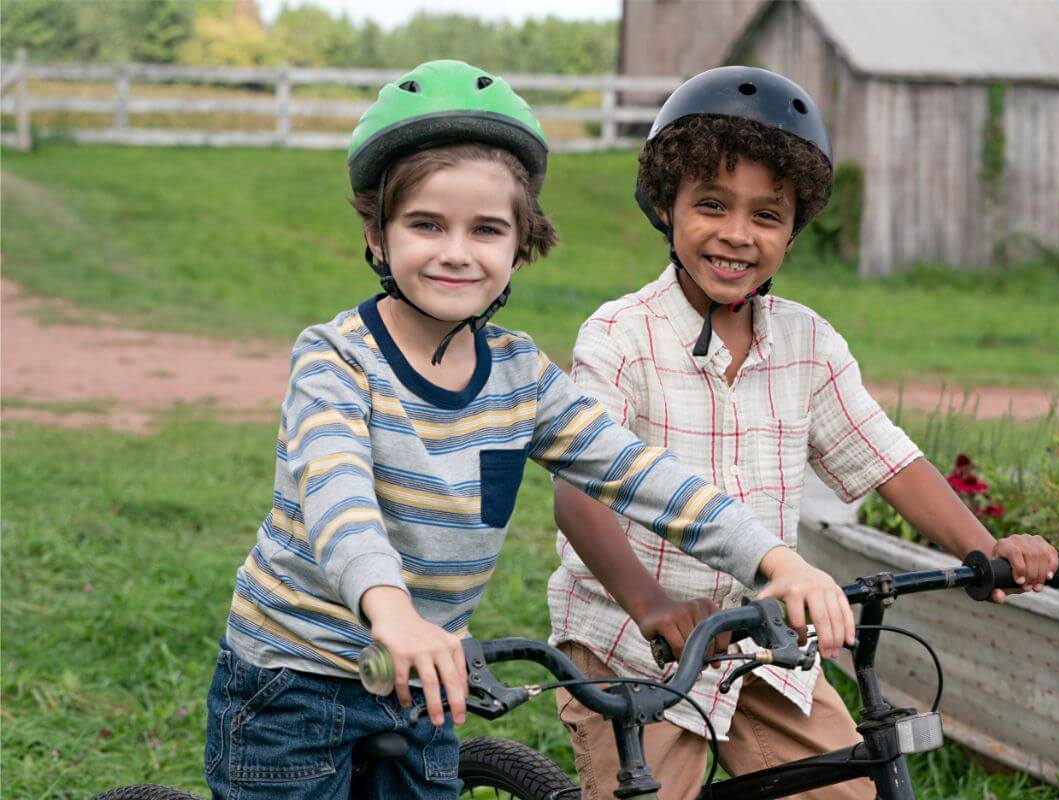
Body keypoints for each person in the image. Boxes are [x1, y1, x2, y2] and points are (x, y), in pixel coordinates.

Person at [203, 60, 858, 800]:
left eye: (486, 229)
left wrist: (775, 561)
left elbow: (641, 474)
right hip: (296, 680)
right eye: (425, 224)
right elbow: (337, 498)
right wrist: (390, 613)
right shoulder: (335, 360)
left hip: (427, 675)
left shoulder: (521, 376)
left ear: (521, 245)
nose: (456, 251)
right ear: (377, 234)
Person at [548, 66, 1059, 800]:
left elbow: (886, 458)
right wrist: (654, 604)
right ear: (667, 206)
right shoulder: (621, 338)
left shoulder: (807, 345)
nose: (736, 235)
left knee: (849, 786)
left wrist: (985, 551)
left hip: (766, 643)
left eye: (767, 215)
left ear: (794, 229)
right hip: (635, 641)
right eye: (713, 205)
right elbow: (579, 493)